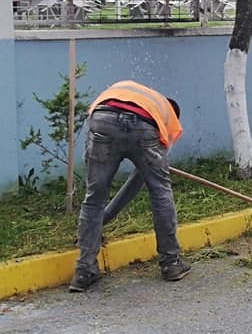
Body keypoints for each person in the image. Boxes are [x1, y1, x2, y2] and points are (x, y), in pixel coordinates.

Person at [70, 80, 188, 292]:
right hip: (143, 125)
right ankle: (171, 263)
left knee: (94, 195)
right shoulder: (166, 120)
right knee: (160, 191)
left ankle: (84, 271)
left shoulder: (137, 93)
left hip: (103, 118)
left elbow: (137, 179)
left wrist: (104, 218)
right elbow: (142, 180)